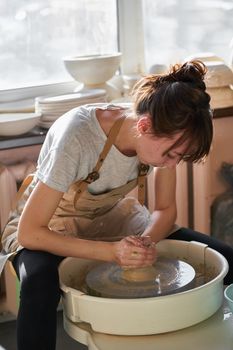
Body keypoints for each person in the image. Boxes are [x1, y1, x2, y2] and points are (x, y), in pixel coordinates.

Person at [1, 60, 233, 350]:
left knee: (227, 259)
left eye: (180, 157)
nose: (172, 163)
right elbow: (31, 232)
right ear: (144, 126)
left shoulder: (164, 131)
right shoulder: (77, 136)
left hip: (111, 217)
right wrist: (112, 252)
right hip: (50, 223)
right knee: (39, 283)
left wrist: (144, 243)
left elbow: (165, 210)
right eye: (171, 154)